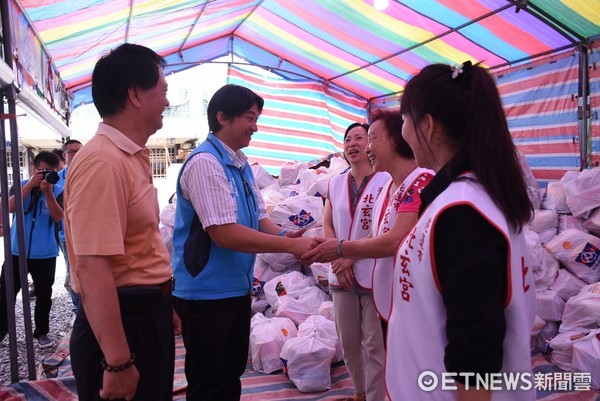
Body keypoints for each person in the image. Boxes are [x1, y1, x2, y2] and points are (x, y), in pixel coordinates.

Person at [385, 61, 535, 401]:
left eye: (405, 119)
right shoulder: (469, 196)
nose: (404, 131)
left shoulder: (462, 212)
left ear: (428, 125)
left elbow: (475, 354)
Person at [171, 84, 316, 401]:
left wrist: (282, 236)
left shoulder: (240, 164)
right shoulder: (206, 163)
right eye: (250, 118)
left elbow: (258, 217)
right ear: (223, 117)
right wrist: (290, 248)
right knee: (208, 381)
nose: (255, 126)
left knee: (230, 372)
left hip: (235, 288)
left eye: (257, 118)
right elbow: (224, 233)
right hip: (206, 292)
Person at [64, 43, 178, 401]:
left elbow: (140, 244)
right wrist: (117, 362)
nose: (167, 101)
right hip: (124, 326)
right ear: (135, 95)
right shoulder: (102, 161)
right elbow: (93, 266)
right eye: (163, 90)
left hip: (144, 316)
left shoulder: (130, 155)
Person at [302, 109, 434, 327]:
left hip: (412, 296)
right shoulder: (387, 189)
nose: (367, 148)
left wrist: (340, 249)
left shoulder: (420, 182)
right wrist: (338, 255)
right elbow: (375, 232)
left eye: (371, 138)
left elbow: (395, 240)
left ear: (396, 138)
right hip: (393, 294)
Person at [313, 122, 390, 401]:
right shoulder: (335, 183)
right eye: (348, 139)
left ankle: (375, 397)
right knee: (348, 342)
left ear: (370, 144)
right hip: (340, 274)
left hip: (371, 272)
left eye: (360, 137)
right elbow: (327, 222)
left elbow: (384, 227)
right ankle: (359, 393)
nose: (353, 143)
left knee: (373, 343)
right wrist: (337, 259)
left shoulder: (385, 181)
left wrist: (347, 254)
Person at [0, 151, 63, 348]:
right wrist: (29, 186)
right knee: (6, 293)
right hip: (16, 252)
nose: (47, 176)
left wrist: (48, 192)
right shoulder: (19, 185)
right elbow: (8, 208)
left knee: (44, 295)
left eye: (52, 172)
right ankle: (2, 330)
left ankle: (41, 332)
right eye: (42, 172)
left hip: (45, 254)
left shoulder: (58, 189)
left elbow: (59, 217)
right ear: (34, 169)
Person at [56, 139, 82, 316]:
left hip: (87, 232)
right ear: (64, 155)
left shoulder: (88, 173)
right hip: (66, 233)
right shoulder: (56, 179)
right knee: (72, 272)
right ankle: (77, 310)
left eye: (79, 151)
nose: (76, 155)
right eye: (71, 152)